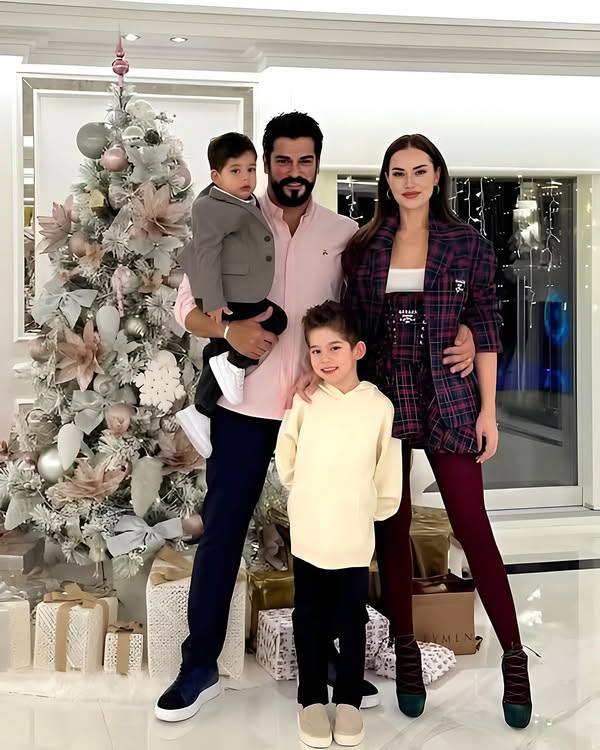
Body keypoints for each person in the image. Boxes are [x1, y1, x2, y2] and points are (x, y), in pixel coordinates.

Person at [155, 112, 476, 724]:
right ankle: (199, 666)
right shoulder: (234, 217)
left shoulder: (344, 233)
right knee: (222, 533)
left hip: (320, 412)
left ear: (317, 164)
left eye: (305, 160)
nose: (293, 171)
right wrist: (228, 330)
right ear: (265, 163)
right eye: (282, 160)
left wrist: (465, 328)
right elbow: (186, 306)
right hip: (245, 409)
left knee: (324, 542)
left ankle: (324, 657)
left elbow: (376, 308)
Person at [342, 133, 533, 730]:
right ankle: (406, 653)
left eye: (419, 171)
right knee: (391, 525)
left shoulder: (467, 244)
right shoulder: (364, 247)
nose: (409, 182)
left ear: (437, 177)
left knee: (472, 525)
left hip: (450, 395)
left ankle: (514, 656)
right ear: (386, 180)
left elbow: (486, 325)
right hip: (383, 395)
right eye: (398, 172)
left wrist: (488, 411)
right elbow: (353, 328)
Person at [276, 301, 401, 748]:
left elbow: (387, 470)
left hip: (353, 536)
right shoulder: (305, 402)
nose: (324, 358)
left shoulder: (379, 407)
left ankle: (348, 699)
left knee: (352, 619)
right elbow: (287, 454)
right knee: (308, 615)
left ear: (357, 350)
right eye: (315, 350)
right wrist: (308, 494)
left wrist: (371, 510)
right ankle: (310, 698)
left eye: (334, 348)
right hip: (310, 531)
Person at [176, 132, 288, 458]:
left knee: (223, 347)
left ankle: (202, 408)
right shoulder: (209, 207)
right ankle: (229, 369)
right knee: (273, 322)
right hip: (227, 294)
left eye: (251, 169)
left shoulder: (245, 200)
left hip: (238, 289)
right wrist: (213, 301)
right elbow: (207, 253)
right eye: (236, 171)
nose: (246, 177)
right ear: (216, 176)